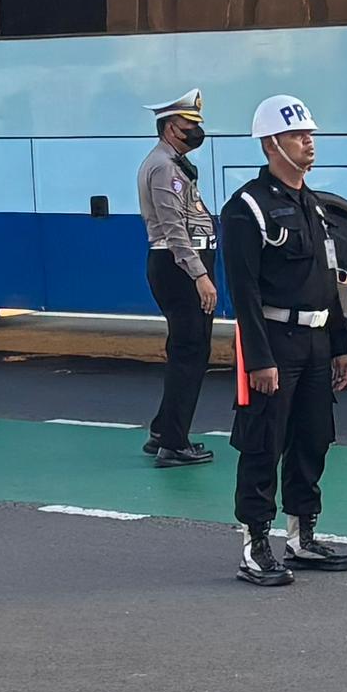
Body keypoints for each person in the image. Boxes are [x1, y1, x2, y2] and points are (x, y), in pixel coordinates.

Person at [220, 92, 347, 588]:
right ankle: (255, 545)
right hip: (274, 341)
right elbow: (244, 292)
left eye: (310, 134)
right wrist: (259, 357)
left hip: (317, 341)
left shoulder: (312, 205)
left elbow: (330, 276)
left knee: (312, 439)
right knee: (263, 443)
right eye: (300, 135)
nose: (309, 142)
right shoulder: (247, 208)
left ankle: (302, 535)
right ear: (272, 143)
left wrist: (340, 345)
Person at [138, 90, 220, 466]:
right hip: (179, 267)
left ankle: (163, 429)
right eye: (189, 127)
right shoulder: (164, 167)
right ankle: (174, 442)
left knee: (184, 349)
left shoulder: (171, 161)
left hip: (179, 265)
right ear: (171, 129)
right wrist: (200, 274)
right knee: (191, 352)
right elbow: (173, 228)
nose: (195, 133)